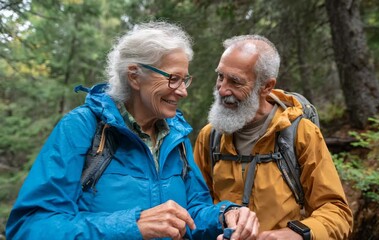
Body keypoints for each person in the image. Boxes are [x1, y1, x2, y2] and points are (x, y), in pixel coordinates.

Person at [6, 22, 259, 240]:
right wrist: (131, 226)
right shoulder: (81, 128)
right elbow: (30, 226)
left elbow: (193, 210)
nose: (183, 91)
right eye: (173, 79)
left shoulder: (176, 136)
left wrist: (225, 215)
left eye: (185, 80)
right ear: (135, 77)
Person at [193, 35, 353, 239]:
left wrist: (295, 234)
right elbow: (196, 206)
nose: (223, 89)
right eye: (220, 76)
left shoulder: (300, 133)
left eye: (235, 81)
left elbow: (337, 211)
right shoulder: (210, 137)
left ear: (266, 86)